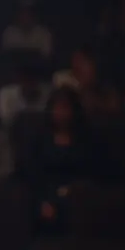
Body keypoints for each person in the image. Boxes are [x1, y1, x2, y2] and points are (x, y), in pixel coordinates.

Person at [28, 88, 101, 225]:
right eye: (57, 107)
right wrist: (44, 200)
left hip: (77, 196)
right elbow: (33, 173)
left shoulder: (87, 139)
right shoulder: (40, 138)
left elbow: (92, 171)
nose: (61, 112)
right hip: (46, 194)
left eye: (65, 107)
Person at [53, 48, 120, 117]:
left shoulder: (107, 89)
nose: (77, 70)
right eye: (74, 64)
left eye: (82, 62)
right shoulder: (69, 90)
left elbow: (113, 108)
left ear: (94, 64)